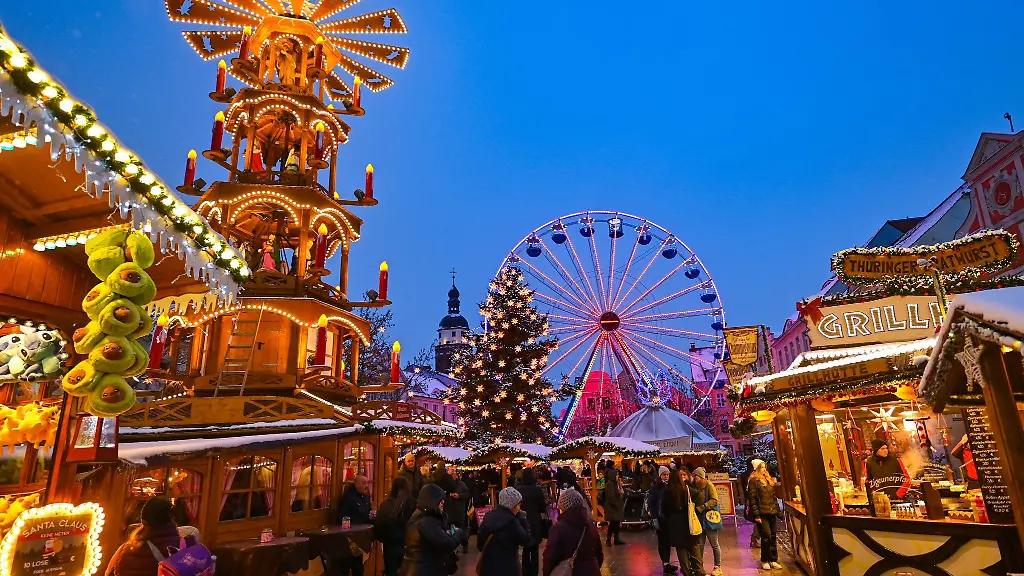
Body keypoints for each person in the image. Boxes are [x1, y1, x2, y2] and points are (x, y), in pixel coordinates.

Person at [106, 498, 198, 576]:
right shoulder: (187, 547)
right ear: (171, 519)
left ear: (143, 521)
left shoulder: (125, 550)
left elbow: (108, 573)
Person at [399, 484, 465, 576]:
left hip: (417, 568)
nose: (443, 502)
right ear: (433, 500)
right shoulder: (427, 521)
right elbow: (447, 543)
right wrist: (459, 532)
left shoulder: (419, 515)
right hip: (425, 570)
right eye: (441, 500)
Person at [543, 486, 603, 576]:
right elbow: (599, 554)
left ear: (563, 507)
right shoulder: (590, 525)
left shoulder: (558, 529)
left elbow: (550, 557)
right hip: (592, 571)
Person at [477, 487, 531, 576]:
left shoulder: (488, 517)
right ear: (512, 505)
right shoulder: (512, 523)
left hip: (488, 568)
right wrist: (523, 520)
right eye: (518, 505)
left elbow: (480, 544)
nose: (519, 508)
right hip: (508, 569)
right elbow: (526, 540)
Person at [661, 468, 702, 576]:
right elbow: (698, 494)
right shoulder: (686, 489)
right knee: (693, 546)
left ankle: (686, 571)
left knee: (681, 549)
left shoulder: (667, 491)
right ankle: (698, 571)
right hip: (687, 521)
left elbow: (664, 509)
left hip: (675, 523)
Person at [375, 477, 417, 576]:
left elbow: (379, 524)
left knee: (392, 571)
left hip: (390, 544)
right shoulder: (412, 503)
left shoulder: (386, 504)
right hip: (408, 544)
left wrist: (382, 538)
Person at [747, 459, 782, 571]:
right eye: (762, 467)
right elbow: (752, 499)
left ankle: (773, 559)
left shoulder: (768, 480)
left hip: (771, 511)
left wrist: (778, 511)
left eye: (764, 467)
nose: (764, 469)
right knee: (766, 536)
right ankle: (765, 560)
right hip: (762, 513)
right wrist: (756, 515)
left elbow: (773, 497)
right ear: (757, 468)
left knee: (772, 535)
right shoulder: (754, 481)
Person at [335, 475, 373, 576]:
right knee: (346, 566)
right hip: (349, 538)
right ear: (356, 484)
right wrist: (347, 532)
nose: (366, 486)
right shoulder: (348, 498)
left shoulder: (365, 497)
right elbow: (341, 516)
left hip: (361, 538)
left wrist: (372, 516)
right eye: (363, 483)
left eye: (367, 483)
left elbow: (368, 512)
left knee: (358, 567)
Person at [517, 468, 549, 576]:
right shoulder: (537, 489)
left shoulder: (518, 489)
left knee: (525, 549)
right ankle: (534, 572)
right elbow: (542, 507)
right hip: (535, 521)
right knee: (535, 549)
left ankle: (526, 572)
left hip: (522, 521)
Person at [691, 468, 722, 576]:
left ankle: (717, 566)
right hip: (698, 519)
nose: (694, 478)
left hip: (709, 518)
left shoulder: (708, 485)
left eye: (696, 476)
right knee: (700, 544)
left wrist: (703, 507)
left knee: (714, 543)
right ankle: (699, 567)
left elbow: (714, 499)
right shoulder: (693, 486)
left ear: (701, 476)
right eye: (694, 475)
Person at [646, 466, 675, 574]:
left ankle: (667, 562)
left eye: (667, 474)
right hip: (659, 517)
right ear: (660, 475)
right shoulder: (655, 487)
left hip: (669, 517)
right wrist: (654, 517)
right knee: (662, 541)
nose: (666, 476)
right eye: (664, 474)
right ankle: (665, 563)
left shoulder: (671, 486)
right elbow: (652, 503)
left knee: (668, 540)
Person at [446, 467, 471, 553]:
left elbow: (467, 494)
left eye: (453, 474)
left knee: (461, 529)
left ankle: (465, 544)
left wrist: (459, 495)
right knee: (451, 530)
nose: (451, 476)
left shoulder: (461, 484)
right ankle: (453, 547)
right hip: (449, 511)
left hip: (459, 510)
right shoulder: (446, 485)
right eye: (450, 474)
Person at [739, 458, 760, 549]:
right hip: (754, 500)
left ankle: (755, 539)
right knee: (759, 519)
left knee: (759, 520)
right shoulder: (752, 476)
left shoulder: (745, 475)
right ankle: (754, 539)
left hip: (751, 500)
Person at [601, 468, 625, 546]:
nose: (618, 476)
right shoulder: (610, 484)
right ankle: (609, 539)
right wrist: (616, 503)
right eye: (616, 474)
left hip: (616, 506)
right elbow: (610, 496)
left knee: (616, 523)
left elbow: (620, 494)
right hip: (612, 506)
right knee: (613, 523)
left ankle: (616, 538)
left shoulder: (616, 483)